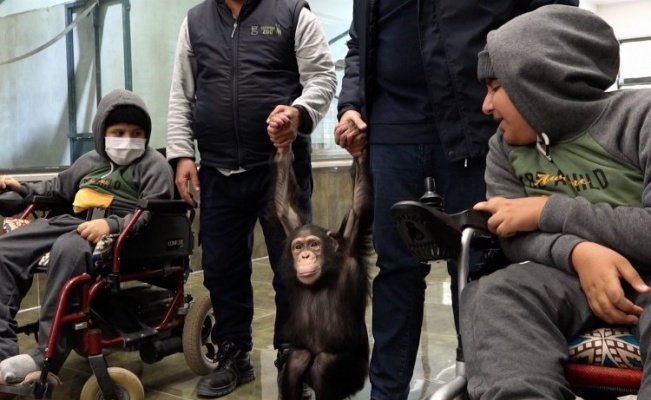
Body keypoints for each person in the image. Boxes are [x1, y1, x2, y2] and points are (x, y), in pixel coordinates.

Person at [334, 0, 578, 399]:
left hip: (477, 124)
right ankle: (387, 392)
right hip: (393, 134)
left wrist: (535, 101)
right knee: (395, 271)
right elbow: (360, 47)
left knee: (481, 270)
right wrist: (350, 106)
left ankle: (486, 386)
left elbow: (550, 17)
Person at [460, 5, 651, 399]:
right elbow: (509, 233)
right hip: (565, 278)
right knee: (496, 292)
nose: (486, 106)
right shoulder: (504, 148)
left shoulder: (638, 119)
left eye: (497, 87)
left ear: (540, 82)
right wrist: (578, 253)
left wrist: (546, 210)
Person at [165, 0, 337, 397]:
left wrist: (297, 114)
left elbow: (323, 78)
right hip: (218, 172)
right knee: (222, 268)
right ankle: (234, 355)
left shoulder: (293, 12)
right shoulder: (195, 21)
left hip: (280, 168)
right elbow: (181, 92)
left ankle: (293, 352)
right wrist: (182, 154)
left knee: (293, 269)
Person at [0, 89, 173, 384]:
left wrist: (114, 225)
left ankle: (45, 357)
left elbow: (153, 209)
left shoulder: (153, 163)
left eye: (136, 132)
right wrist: (22, 189)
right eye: (118, 131)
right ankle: (3, 353)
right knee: (5, 251)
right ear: (101, 132)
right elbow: (56, 189)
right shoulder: (89, 161)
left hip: (116, 232)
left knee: (68, 250)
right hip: (72, 220)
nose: (127, 139)